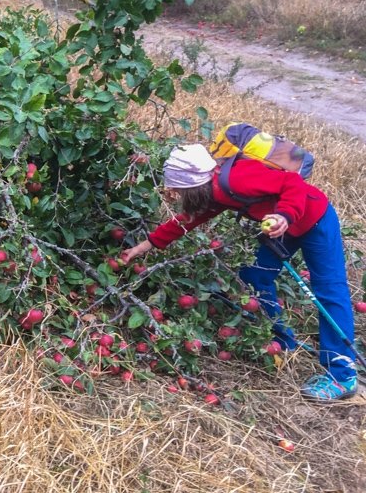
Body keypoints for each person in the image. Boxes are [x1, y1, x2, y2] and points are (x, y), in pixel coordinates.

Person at [122, 143, 359, 402]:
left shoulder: (238, 179)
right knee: (254, 277)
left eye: (178, 190)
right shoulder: (212, 191)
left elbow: (292, 183)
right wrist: (142, 247)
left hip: (315, 220)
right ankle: (282, 340)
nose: (176, 195)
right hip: (282, 227)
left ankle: (343, 375)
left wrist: (284, 216)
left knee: (329, 291)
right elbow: (187, 220)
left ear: (190, 184)